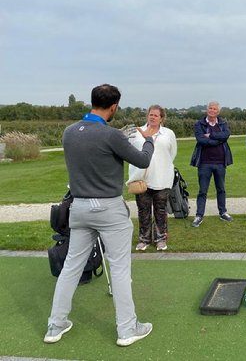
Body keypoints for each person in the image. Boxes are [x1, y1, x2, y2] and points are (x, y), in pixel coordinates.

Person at [45, 84, 155, 347]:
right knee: (119, 269)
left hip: (79, 208)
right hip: (109, 209)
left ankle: (55, 325)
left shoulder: (69, 133)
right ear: (113, 106)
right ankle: (127, 330)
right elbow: (142, 160)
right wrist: (149, 139)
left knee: (71, 267)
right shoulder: (112, 135)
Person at [127, 105, 177, 251]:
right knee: (143, 210)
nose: (152, 117)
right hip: (141, 178)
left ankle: (160, 238)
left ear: (161, 118)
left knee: (160, 210)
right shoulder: (137, 133)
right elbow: (130, 152)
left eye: (156, 115)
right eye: (151, 114)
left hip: (162, 178)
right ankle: (144, 239)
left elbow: (172, 153)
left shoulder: (168, 133)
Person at [190, 101, 233, 227]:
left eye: (214, 109)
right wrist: (218, 141)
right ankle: (199, 215)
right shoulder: (199, 124)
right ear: (207, 109)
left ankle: (223, 212)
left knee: (221, 189)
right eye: (210, 108)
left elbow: (226, 134)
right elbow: (201, 140)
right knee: (202, 191)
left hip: (220, 163)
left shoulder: (223, 123)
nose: (212, 110)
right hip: (204, 163)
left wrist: (211, 135)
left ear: (218, 111)